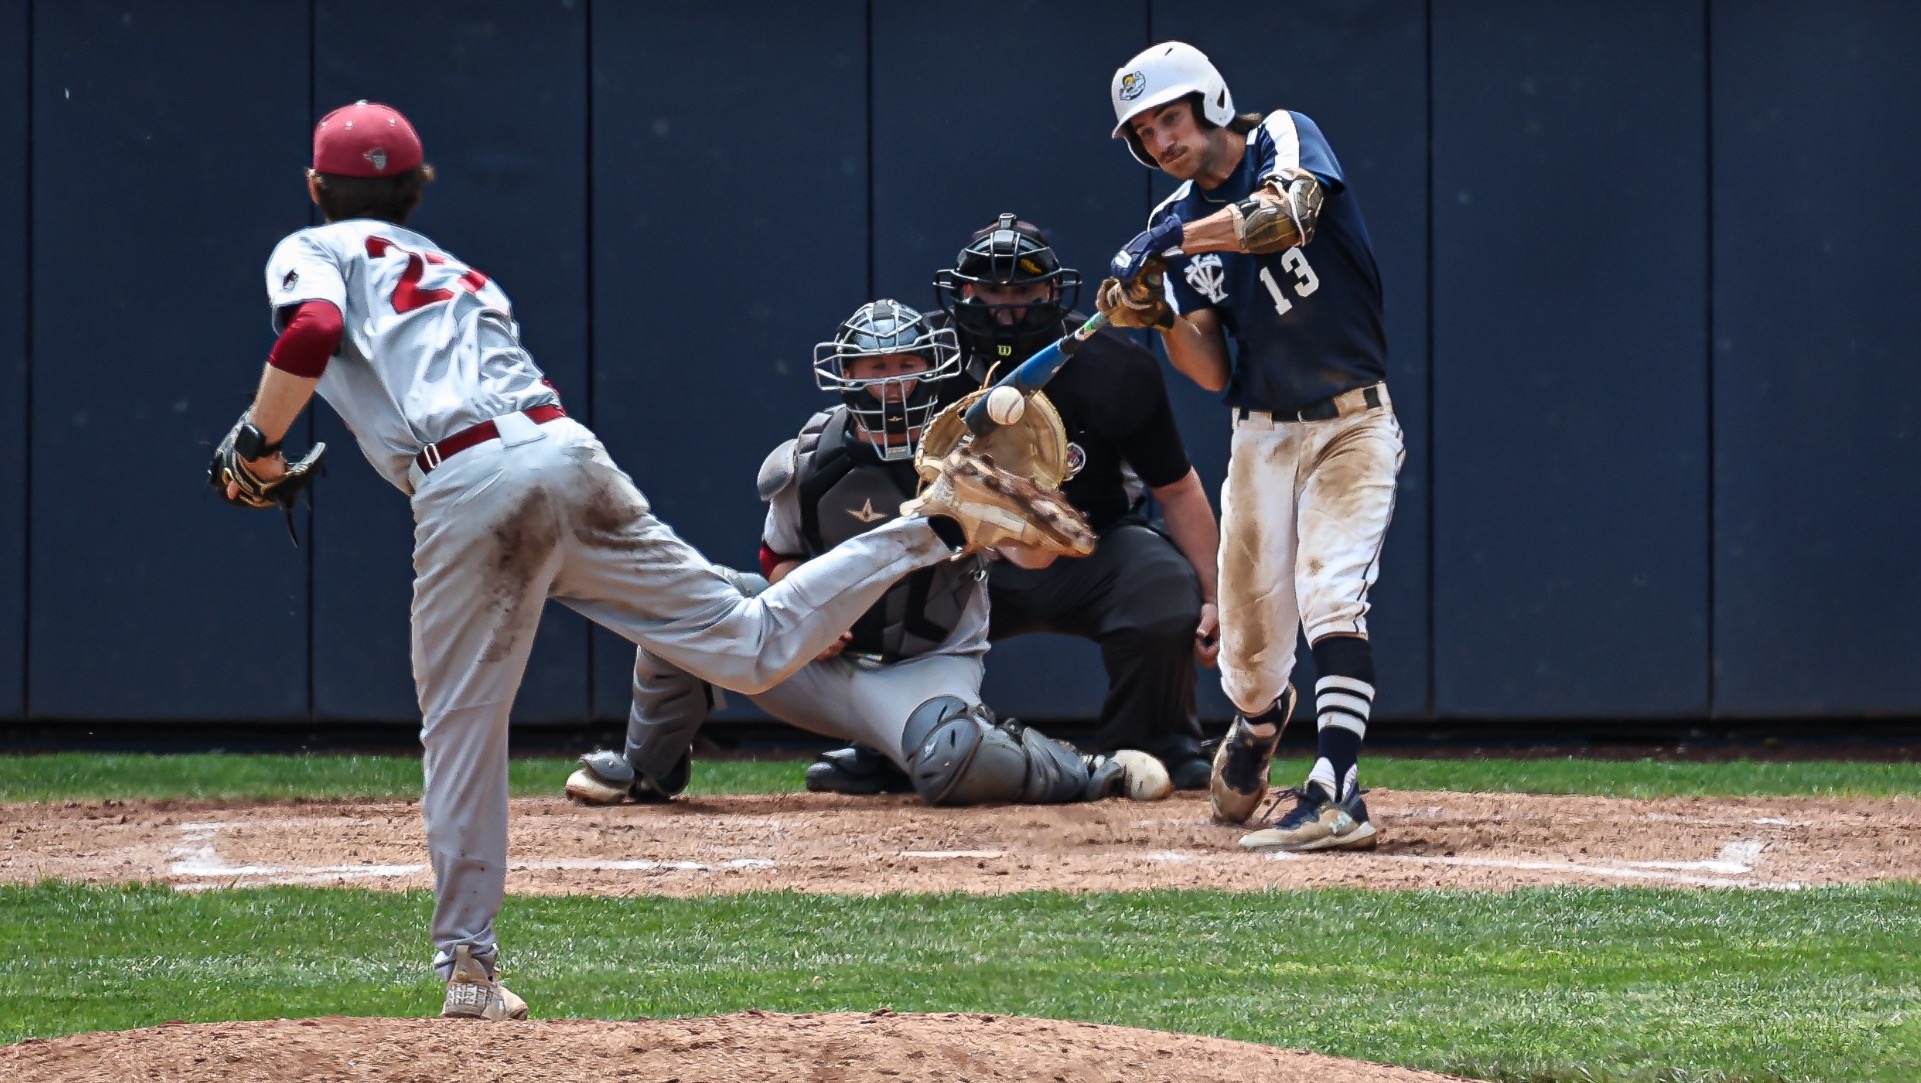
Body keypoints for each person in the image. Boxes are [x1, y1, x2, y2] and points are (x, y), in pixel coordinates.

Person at [206, 103, 1089, 1020]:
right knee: (745, 643)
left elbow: (309, 330)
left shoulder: (318, 243)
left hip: (464, 477)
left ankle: (468, 963)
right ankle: (936, 525)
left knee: (463, 726)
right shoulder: (466, 276)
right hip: (563, 450)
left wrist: (254, 436)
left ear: (317, 189)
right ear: (417, 190)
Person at [564, 300, 1169, 809]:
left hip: (920, 670)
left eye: (906, 365)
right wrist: (808, 616)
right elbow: (780, 557)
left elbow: (1034, 566)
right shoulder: (809, 455)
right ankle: (648, 767)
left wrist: (1020, 513)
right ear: (847, 374)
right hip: (807, 662)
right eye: (874, 366)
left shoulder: (974, 454)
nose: (890, 380)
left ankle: (1089, 769)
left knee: (957, 763)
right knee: (686, 611)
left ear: (930, 372)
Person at [1098, 43, 1403, 852]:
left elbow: (1284, 216)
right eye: (1144, 132)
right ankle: (1261, 722)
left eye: (1170, 117)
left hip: (1351, 421)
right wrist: (1154, 313)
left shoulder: (1282, 138)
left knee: (1333, 592)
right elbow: (1209, 366)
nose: (1161, 141)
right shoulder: (1167, 231)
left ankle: (1337, 791)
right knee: (1249, 650)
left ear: (1208, 102)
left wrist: (1166, 247)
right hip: (1260, 435)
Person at [802, 216, 1222, 793]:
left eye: (1022, 291)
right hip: (957, 549)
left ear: (1053, 292)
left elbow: (1177, 487)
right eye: (990, 291)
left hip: (1088, 549)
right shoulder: (920, 360)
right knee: (890, 573)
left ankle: (1157, 739)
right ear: (962, 293)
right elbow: (862, 476)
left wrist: (1218, 595)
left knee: (1161, 588)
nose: (1006, 307)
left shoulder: (1115, 365)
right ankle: (895, 738)